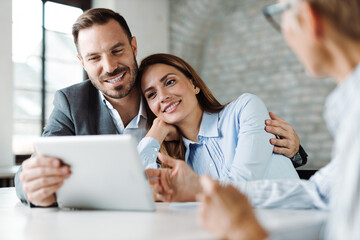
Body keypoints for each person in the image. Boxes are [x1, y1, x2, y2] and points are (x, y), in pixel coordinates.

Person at [14, 8, 304, 207]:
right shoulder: (71, 102)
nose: (110, 66)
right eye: (94, 58)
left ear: (133, 46)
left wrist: (293, 150)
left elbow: (230, 137)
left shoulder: (173, 107)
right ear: (82, 63)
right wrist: (29, 186)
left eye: (117, 50)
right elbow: (36, 164)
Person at [196, 0, 360, 239]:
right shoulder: (348, 108)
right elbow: (317, 192)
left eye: (280, 13)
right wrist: (201, 190)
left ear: (310, 18)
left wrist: (244, 230)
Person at [136, 53, 299, 201]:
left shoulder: (244, 109)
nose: (163, 96)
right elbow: (139, 191)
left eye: (170, 82)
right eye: (152, 94)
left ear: (193, 84)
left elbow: (240, 189)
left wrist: (194, 188)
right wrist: (155, 134)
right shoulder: (182, 162)